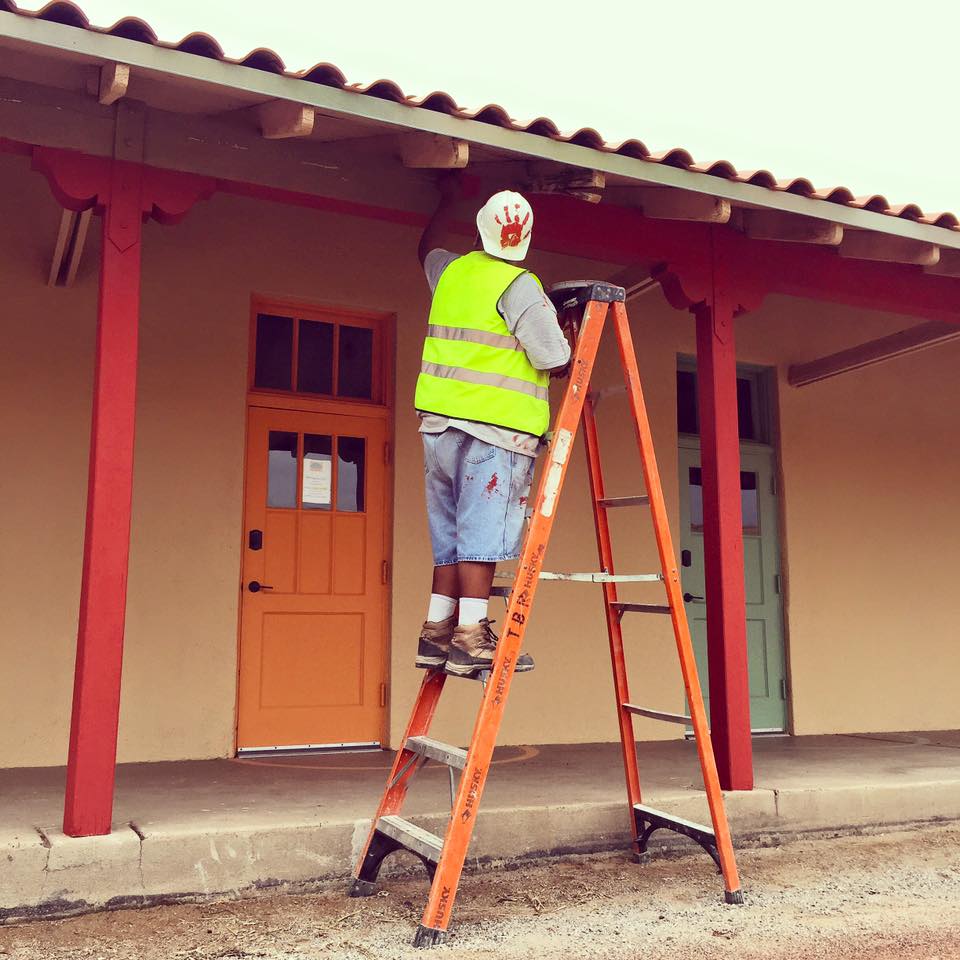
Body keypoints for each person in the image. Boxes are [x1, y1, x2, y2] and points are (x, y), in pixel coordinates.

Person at [414, 179, 571, 678]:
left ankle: (437, 632)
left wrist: (443, 199)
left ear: (481, 231)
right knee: (481, 539)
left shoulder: (452, 272)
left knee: (452, 539)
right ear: (523, 240)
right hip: (494, 434)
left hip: (437, 428)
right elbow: (555, 358)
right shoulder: (520, 286)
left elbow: (425, 250)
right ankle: (472, 636)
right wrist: (562, 329)